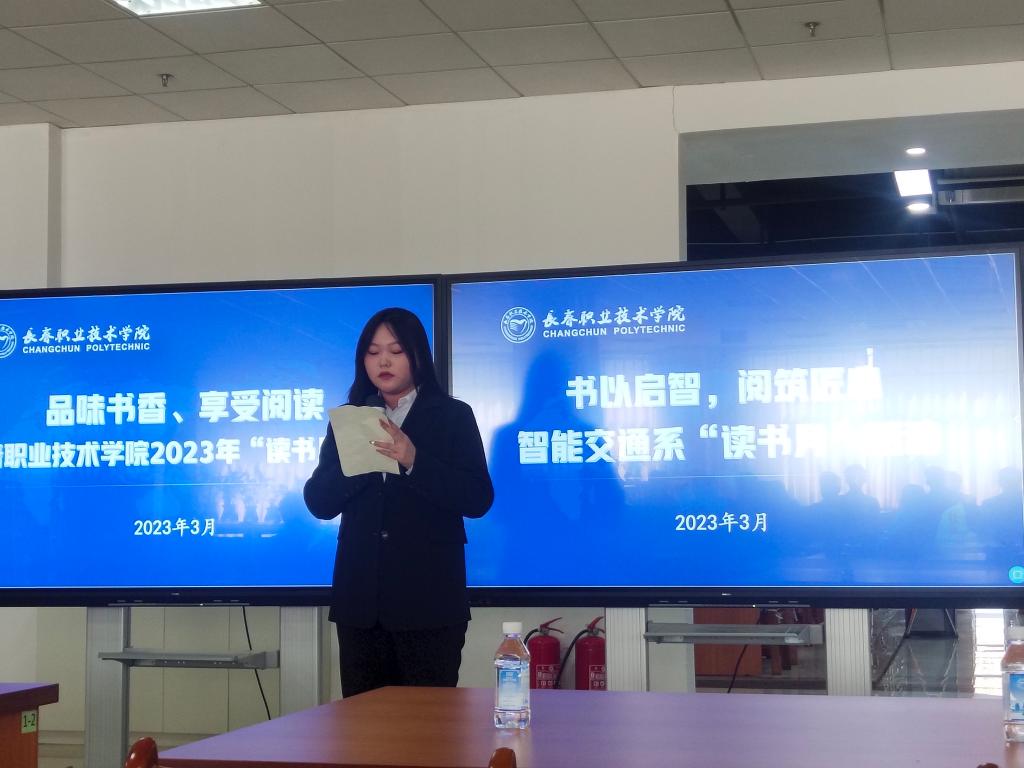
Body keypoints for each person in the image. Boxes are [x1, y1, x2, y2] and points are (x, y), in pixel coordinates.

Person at [303, 307, 493, 697]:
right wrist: (362, 462)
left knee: (429, 724)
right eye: (373, 352)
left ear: (418, 355)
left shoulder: (453, 416)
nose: (383, 361)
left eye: (395, 351)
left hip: (429, 604)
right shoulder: (350, 420)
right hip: (361, 607)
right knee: (363, 726)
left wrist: (413, 460)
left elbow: (477, 498)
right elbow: (319, 501)